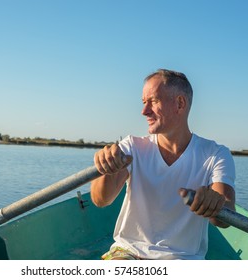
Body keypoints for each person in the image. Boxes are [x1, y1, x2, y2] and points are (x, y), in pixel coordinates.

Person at [90, 69, 236, 260]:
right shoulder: (132, 147)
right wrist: (107, 168)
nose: (144, 111)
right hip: (128, 252)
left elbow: (225, 216)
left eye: (153, 101)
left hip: (182, 259)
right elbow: (101, 200)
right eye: (144, 103)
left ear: (180, 103)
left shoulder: (215, 154)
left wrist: (215, 204)